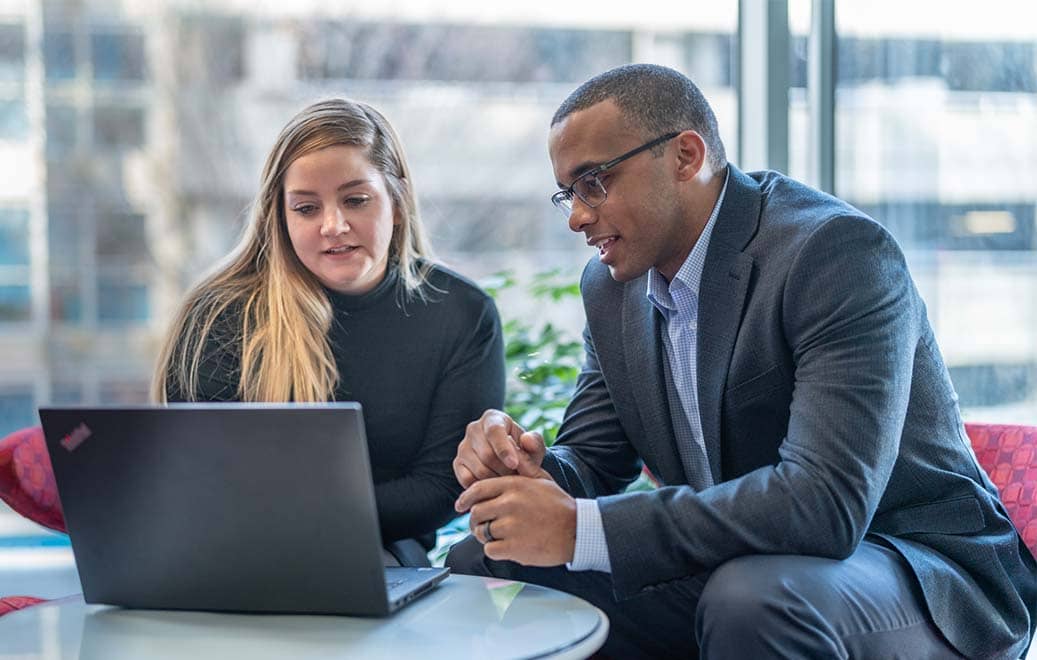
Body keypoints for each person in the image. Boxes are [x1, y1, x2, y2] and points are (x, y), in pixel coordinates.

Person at [446, 64, 1037, 659]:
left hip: (917, 565)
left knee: (751, 598)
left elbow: (825, 505)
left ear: (685, 156)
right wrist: (526, 472)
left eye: (595, 182)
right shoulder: (611, 288)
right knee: (486, 555)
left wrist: (582, 530)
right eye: (567, 193)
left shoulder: (834, 253)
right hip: (743, 562)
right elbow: (594, 461)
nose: (577, 215)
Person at [152, 98, 505, 566]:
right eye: (305, 208)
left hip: (379, 552)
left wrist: (305, 516)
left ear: (396, 203)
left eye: (356, 200)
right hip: (232, 553)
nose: (333, 226)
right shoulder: (217, 315)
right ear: (281, 215)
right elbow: (203, 480)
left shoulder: (462, 313)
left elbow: (441, 489)